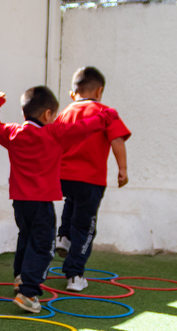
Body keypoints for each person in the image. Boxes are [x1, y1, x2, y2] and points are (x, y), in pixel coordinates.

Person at [0, 87, 116, 313]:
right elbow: (84, 128)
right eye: (54, 115)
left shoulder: (13, 132)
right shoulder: (54, 133)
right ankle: (28, 293)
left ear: (24, 112)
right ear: (47, 114)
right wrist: (106, 116)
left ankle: (20, 278)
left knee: (26, 237)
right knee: (44, 247)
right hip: (41, 203)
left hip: (20, 202)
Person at [54, 66, 131, 291]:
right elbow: (117, 140)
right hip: (90, 179)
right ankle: (74, 275)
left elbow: (53, 142)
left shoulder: (65, 113)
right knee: (85, 227)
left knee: (71, 201)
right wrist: (123, 169)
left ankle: (63, 236)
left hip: (62, 176)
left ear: (73, 94)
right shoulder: (106, 113)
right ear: (99, 91)